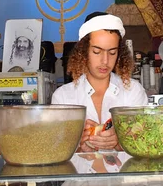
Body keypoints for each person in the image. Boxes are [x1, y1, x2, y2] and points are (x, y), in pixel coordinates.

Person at [52, 12, 148, 152]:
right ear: (84, 52)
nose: (105, 61)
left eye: (112, 52)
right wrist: (79, 147)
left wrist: (120, 142)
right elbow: (55, 149)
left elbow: (146, 142)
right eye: (97, 52)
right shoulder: (63, 97)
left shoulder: (133, 91)